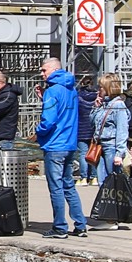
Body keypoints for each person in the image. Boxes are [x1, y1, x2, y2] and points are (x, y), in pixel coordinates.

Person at [35, 57, 90, 238]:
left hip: (54, 144)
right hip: (69, 142)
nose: (42, 74)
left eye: (44, 70)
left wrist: (38, 131)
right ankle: (80, 224)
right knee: (69, 185)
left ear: (53, 69)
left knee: (56, 187)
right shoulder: (71, 89)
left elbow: (49, 120)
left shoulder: (53, 91)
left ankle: (60, 227)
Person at [89, 72, 131, 183]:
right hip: (100, 146)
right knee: (102, 182)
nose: (99, 90)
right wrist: (96, 107)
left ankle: (116, 201)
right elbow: (92, 123)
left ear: (109, 88)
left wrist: (119, 154)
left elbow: (122, 130)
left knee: (113, 182)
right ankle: (105, 200)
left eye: (101, 88)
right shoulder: (104, 104)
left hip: (111, 147)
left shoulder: (118, 105)